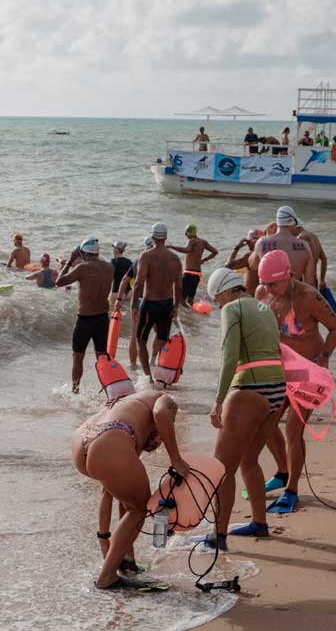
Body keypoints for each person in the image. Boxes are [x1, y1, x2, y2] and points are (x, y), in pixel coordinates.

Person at [200, 268, 286, 550]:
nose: (217, 304)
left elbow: (230, 356)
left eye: (216, 299)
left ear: (225, 291)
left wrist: (218, 399)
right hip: (276, 389)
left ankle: (218, 535)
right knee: (249, 460)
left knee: (221, 468)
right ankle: (259, 523)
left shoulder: (232, 309)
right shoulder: (263, 307)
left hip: (250, 388)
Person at [71, 389, 190, 589]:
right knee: (139, 508)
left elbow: (107, 493)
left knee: (129, 503)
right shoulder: (165, 400)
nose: (157, 442)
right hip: (109, 439)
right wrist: (175, 458)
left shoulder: (128, 405)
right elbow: (162, 414)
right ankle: (107, 576)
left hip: (81, 439)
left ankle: (126, 561)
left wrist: (104, 537)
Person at [253, 250, 336, 514]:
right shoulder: (262, 294)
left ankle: (292, 489)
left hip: (308, 370)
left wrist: (325, 356)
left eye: (274, 284)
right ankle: (282, 472)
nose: (269, 289)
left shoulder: (308, 296)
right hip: (278, 370)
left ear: (288, 276)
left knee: (293, 430)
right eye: (265, 283)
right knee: (265, 423)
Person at [57, 238, 115, 393]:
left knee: (77, 357)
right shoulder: (110, 267)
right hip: (102, 318)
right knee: (102, 357)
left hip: (85, 319)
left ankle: (75, 390)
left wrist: (69, 261)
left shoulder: (82, 268)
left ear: (83, 254)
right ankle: (109, 389)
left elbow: (59, 282)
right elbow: (97, 265)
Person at [131, 225, 182, 379]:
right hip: (167, 304)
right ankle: (162, 374)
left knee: (141, 340)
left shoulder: (146, 256)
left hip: (150, 303)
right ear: (165, 238)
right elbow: (179, 286)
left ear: (153, 237)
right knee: (162, 341)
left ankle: (149, 378)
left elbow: (139, 283)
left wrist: (134, 305)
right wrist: (176, 306)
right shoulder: (175, 258)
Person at [246, 206, 315, 293]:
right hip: (291, 298)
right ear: (293, 223)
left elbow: (252, 265)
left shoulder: (262, 242)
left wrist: (267, 236)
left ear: (277, 223)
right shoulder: (304, 246)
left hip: (269, 297)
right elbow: (310, 283)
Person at [170, 224, 218, 305]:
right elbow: (215, 252)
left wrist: (172, 247)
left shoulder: (192, 240)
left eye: (186, 233)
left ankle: (185, 316)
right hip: (197, 274)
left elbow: (186, 250)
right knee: (190, 300)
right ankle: (191, 315)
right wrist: (204, 260)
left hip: (188, 273)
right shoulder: (203, 242)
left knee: (181, 299)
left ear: (189, 233)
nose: (185, 235)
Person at [289, 223, 328, 290]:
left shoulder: (300, 238)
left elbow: (300, 265)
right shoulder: (314, 236)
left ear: (294, 227)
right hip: (313, 281)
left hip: (304, 283)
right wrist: (322, 280)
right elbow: (324, 259)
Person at [109, 241, 134, 313]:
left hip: (116, 292)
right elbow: (133, 278)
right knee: (126, 313)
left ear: (115, 250)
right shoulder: (129, 262)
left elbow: (110, 278)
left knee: (114, 315)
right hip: (129, 292)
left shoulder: (113, 261)